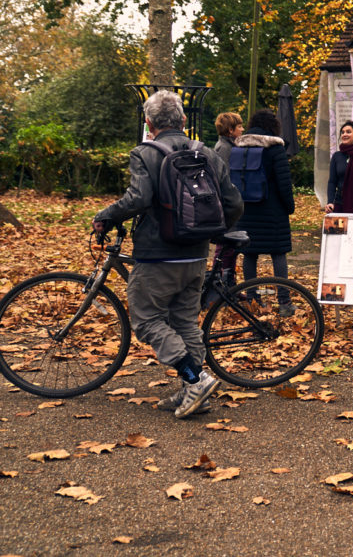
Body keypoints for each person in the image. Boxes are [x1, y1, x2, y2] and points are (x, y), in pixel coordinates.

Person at [92, 90, 242, 419]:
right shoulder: (207, 153)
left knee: (146, 320)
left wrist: (107, 216)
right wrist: (210, 233)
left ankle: (196, 379)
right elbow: (234, 204)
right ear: (184, 120)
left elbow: (139, 197)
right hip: (194, 255)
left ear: (148, 123)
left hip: (157, 254)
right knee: (185, 320)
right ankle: (192, 390)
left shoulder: (145, 153)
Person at [235, 109, 296, 315]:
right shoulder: (275, 149)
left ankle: (252, 299)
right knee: (278, 254)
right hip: (273, 211)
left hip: (246, 209)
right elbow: (284, 183)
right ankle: (284, 303)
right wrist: (289, 207)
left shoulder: (240, 148)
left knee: (249, 254)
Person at [208, 112, 243, 299]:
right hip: (225, 205)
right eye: (239, 127)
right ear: (230, 130)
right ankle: (221, 287)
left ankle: (229, 285)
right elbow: (224, 180)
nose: (242, 129)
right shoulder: (224, 149)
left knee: (229, 247)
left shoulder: (228, 146)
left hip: (226, 204)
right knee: (225, 246)